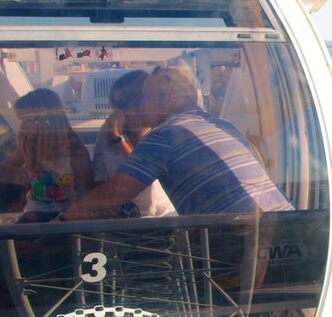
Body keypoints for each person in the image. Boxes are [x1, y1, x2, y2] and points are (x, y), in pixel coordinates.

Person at [62, 67, 291, 220]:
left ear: (168, 99)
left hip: (242, 234)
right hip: (283, 224)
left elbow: (116, 192)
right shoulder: (221, 124)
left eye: (145, 97)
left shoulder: (166, 135)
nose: (141, 105)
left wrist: (65, 217)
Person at [0, 88, 94, 222]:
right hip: (33, 215)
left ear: (45, 120)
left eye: (27, 121)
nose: (22, 127)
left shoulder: (74, 150)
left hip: (64, 220)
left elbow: (88, 195)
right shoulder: (30, 144)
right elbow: (11, 165)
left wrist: (64, 219)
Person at [92, 70, 176, 218]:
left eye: (123, 104)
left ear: (141, 103)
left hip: (159, 218)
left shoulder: (158, 132)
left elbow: (142, 173)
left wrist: (119, 139)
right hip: (119, 218)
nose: (119, 111)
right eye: (115, 104)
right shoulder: (107, 133)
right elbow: (99, 177)